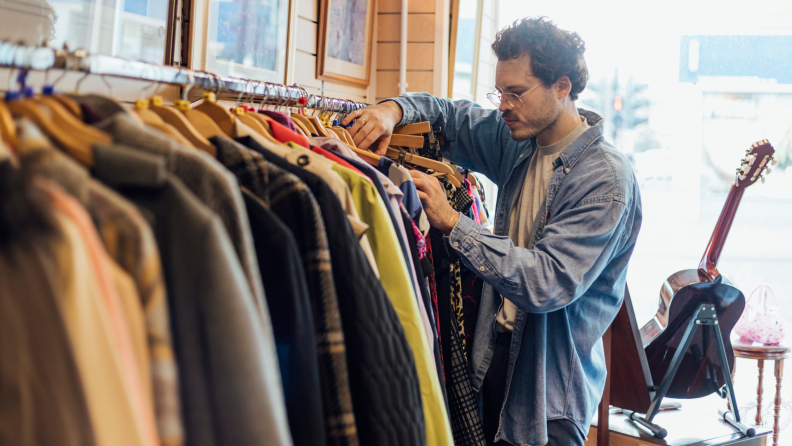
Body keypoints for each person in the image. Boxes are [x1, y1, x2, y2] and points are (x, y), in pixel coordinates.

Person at [342, 16, 642, 446]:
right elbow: (449, 116)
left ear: (562, 86)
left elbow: (546, 283)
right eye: (500, 92)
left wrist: (453, 222)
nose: (503, 105)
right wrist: (392, 110)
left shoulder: (606, 181)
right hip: (494, 361)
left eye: (516, 93)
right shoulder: (518, 140)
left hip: (547, 398)